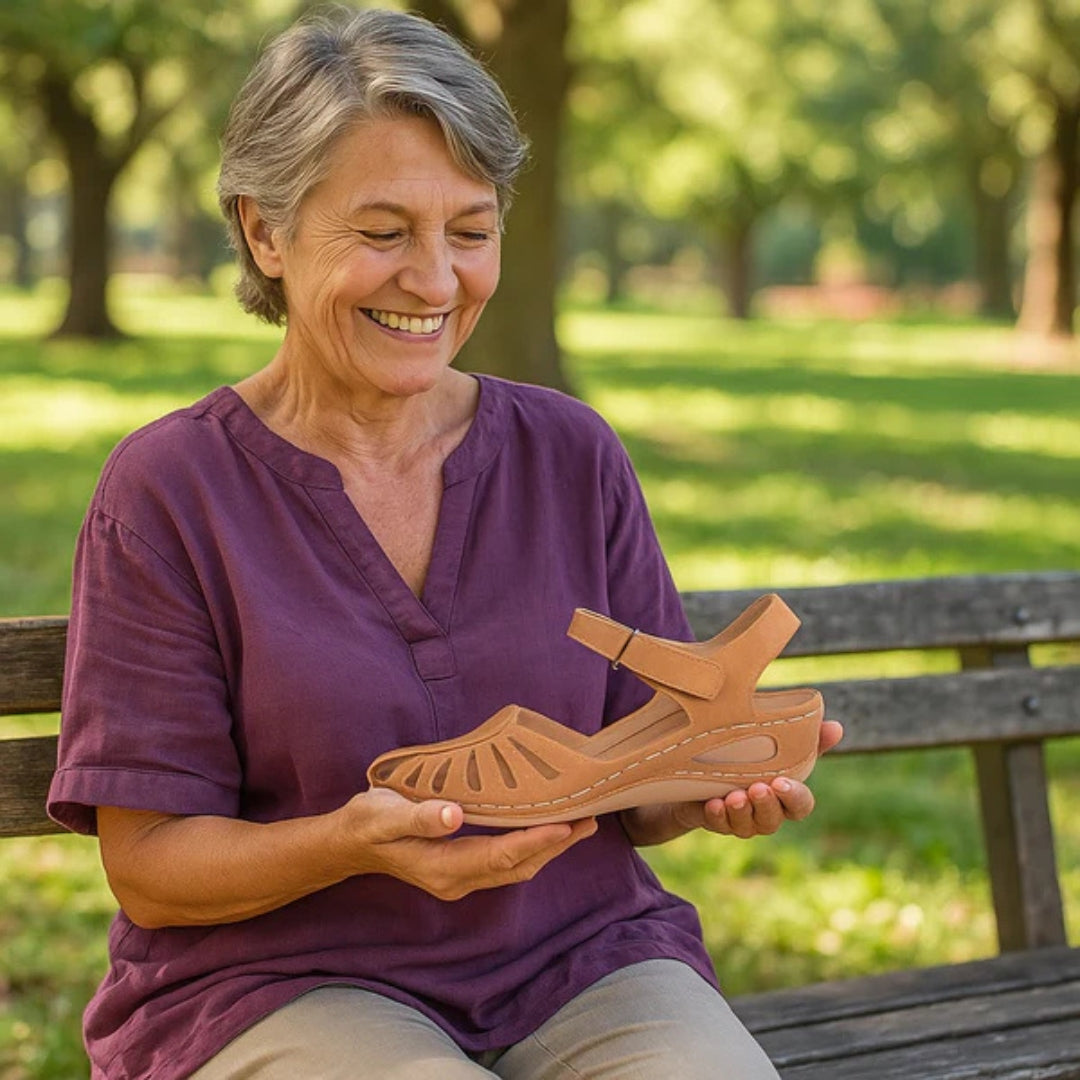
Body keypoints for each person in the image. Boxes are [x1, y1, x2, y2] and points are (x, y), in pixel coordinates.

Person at [47, 7, 842, 1078]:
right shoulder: (171, 491)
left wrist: (699, 789)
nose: (433, 282)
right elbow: (148, 865)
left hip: (582, 958)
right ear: (264, 233)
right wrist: (348, 843)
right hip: (278, 983)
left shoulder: (568, 452)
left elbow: (639, 782)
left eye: (470, 233)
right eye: (382, 234)